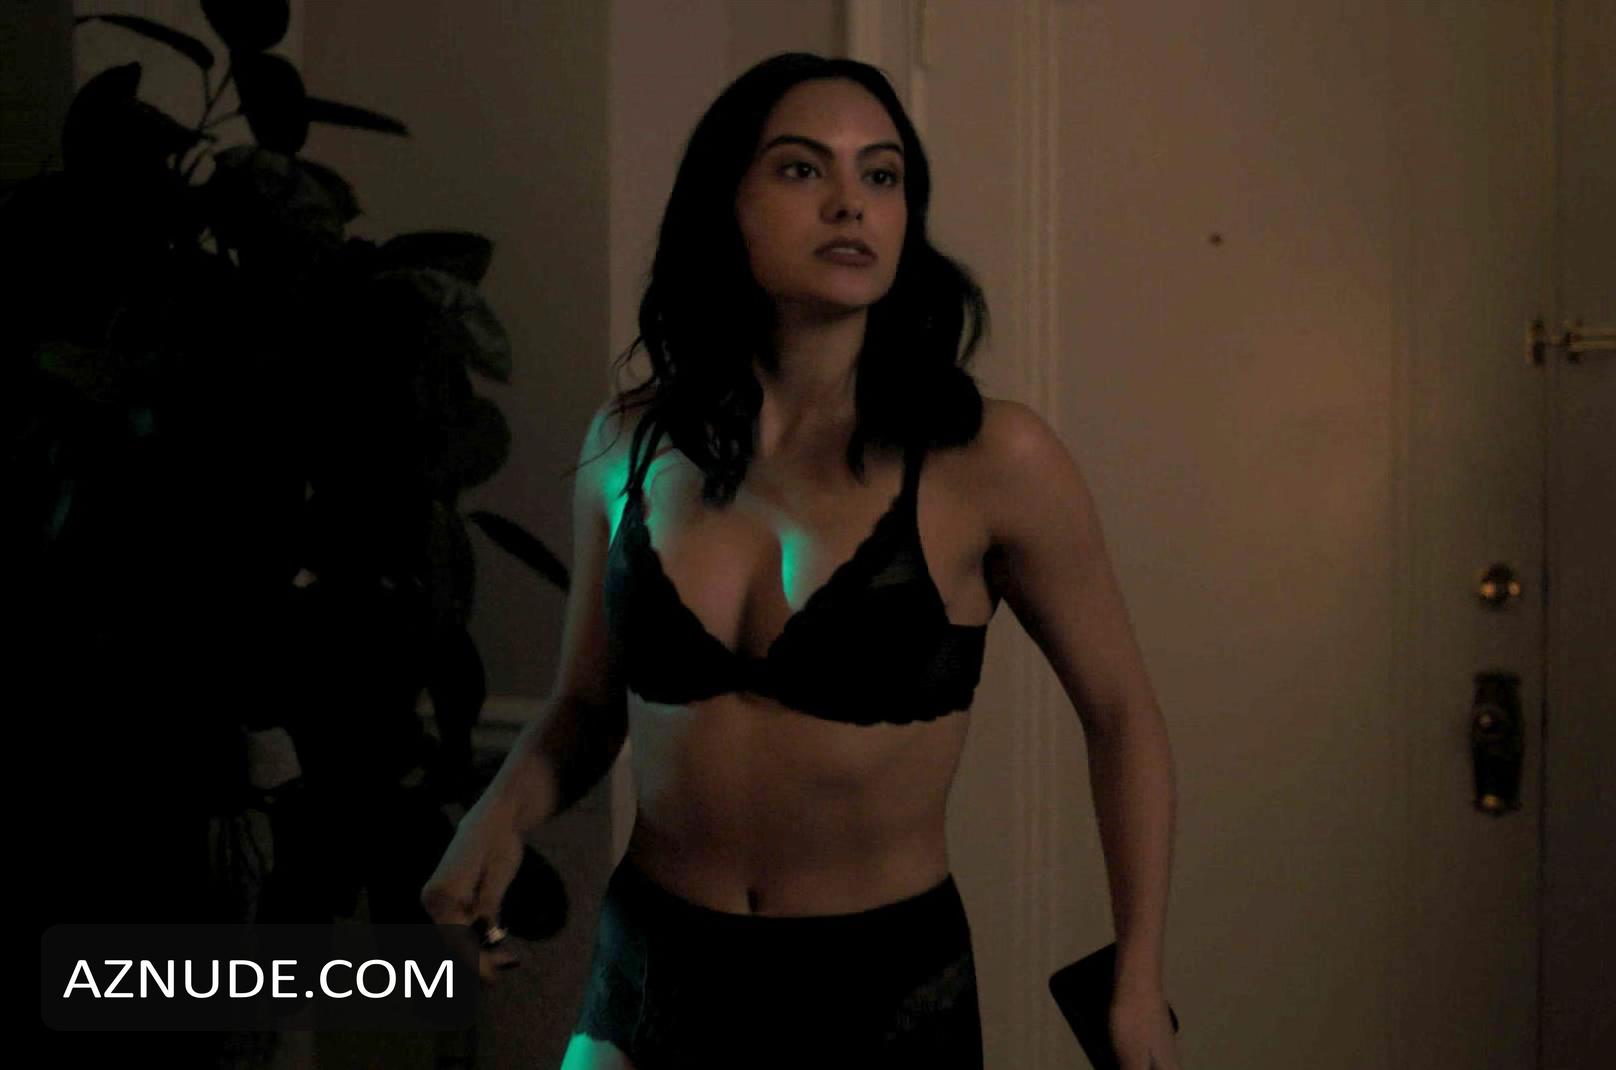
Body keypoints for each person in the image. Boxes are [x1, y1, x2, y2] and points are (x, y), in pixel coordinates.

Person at [421, 52, 1182, 1069]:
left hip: (882, 992)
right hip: (651, 967)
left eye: (882, 175)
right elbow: (587, 707)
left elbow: (1122, 714)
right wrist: (498, 813)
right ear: (724, 203)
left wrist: (1137, 977)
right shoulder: (629, 444)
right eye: (800, 168)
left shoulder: (990, 459)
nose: (849, 203)